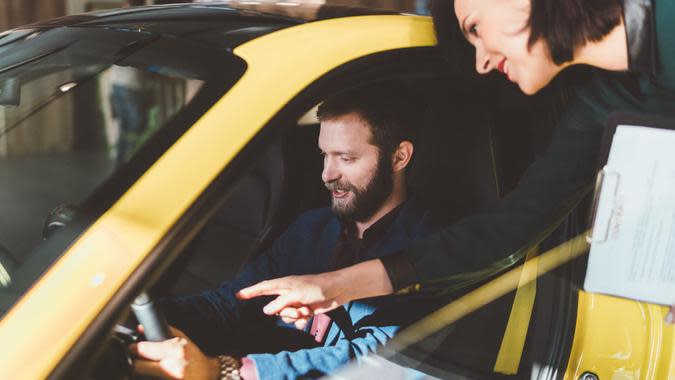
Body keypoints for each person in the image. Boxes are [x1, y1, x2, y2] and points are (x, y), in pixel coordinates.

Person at [237, 0, 675, 326]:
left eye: (476, 28)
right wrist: (335, 286)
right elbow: (504, 233)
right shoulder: (602, 105)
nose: (482, 61)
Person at [130, 83, 439, 379]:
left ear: (399, 157)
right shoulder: (312, 228)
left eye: (346, 158)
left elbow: (376, 360)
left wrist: (224, 372)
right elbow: (229, 304)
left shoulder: (428, 251)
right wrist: (133, 318)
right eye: (324, 155)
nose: (327, 175)